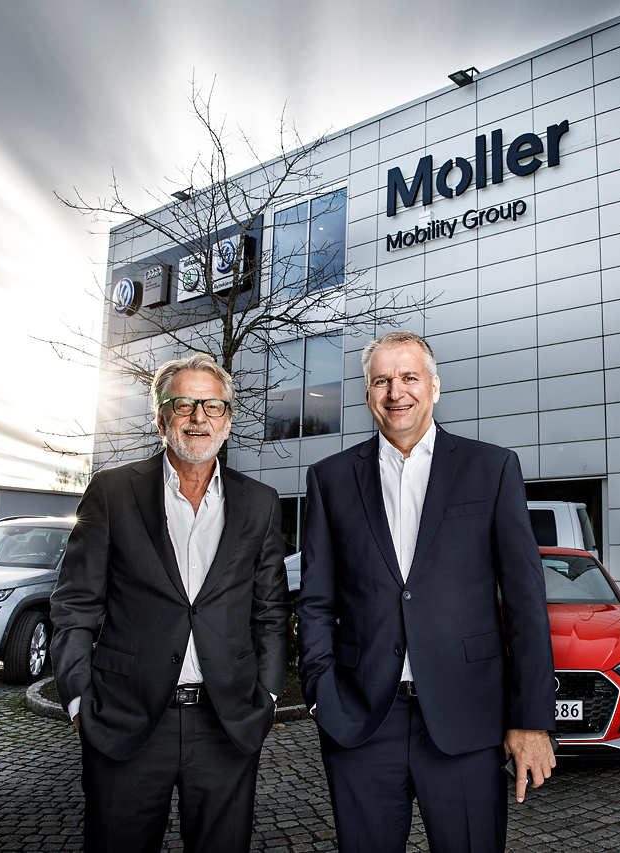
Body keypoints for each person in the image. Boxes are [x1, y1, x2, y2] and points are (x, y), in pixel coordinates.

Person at [295, 330, 556, 853]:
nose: (396, 392)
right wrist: (321, 692)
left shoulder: (492, 468)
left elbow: (525, 602)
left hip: (468, 717)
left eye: (409, 377)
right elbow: (316, 601)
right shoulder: (329, 479)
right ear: (368, 394)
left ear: (434, 387)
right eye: (382, 381)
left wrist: (531, 719)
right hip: (362, 720)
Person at [50, 353, 290, 853]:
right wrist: (78, 702)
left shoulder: (260, 502)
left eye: (213, 406)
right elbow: (74, 606)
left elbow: (270, 612)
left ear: (227, 421)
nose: (199, 417)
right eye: (183, 404)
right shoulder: (113, 492)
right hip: (126, 720)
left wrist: (266, 697)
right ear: (161, 420)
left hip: (227, 723)